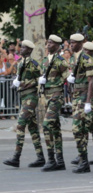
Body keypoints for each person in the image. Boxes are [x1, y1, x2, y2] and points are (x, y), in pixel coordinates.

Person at [3, 40, 45, 168]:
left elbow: (41, 79)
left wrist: (24, 84)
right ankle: (40, 158)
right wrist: (16, 81)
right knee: (32, 128)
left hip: (30, 97)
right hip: (23, 97)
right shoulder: (21, 63)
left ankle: (16, 157)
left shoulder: (33, 64)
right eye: (21, 47)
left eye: (25, 47)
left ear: (30, 50)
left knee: (20, 125)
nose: (21, 49)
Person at [70, 41, 93, 166]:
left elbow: (91, 82)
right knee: (92, 127)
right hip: (80, 96)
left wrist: (88, 102)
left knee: (80, 127)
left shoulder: (90, 62)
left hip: (88, 97)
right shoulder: (82, 60)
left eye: (86, 51)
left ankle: (82, 157)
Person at [39, 34, 69, 172]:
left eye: (51, 43)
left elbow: (67, 78)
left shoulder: (61, 61)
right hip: (47, 95)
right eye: (48, 43)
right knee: (55, 128)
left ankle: (51, 159)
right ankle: (60, 161)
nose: (48, 45)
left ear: (57, 46)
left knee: (46, 125)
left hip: (56, 95)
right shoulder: (45, 60)